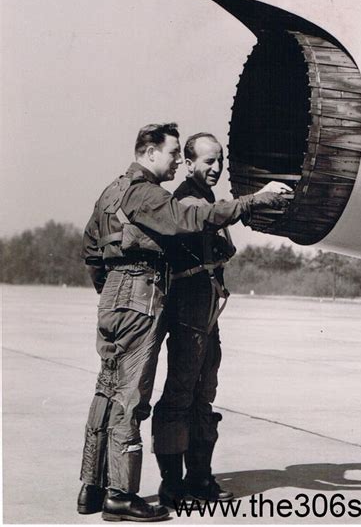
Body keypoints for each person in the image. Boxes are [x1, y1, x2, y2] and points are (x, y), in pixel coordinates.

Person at [77, 123, 290, 522]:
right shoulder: (147, 193)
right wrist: (255, 201)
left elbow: (91, 250)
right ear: (150, 151)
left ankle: (92, 488)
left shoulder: (112, 190)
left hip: (121, 296)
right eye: (174, 153)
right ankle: (121, 495)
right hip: (140, 294)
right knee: (131, 397)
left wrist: (111, 292)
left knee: (109, 390)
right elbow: (189, 220)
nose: (176, 161)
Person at [152, 133, 249, 507]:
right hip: (190, 308)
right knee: (181, 393)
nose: (217, 167)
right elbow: (207, 220)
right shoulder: (187, 200)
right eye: (208, 161)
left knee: (203, 392)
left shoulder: (204, 198)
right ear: (189, 164)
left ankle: (199, 478)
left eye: (219, 160)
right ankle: (173, 486)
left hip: (207, 309)